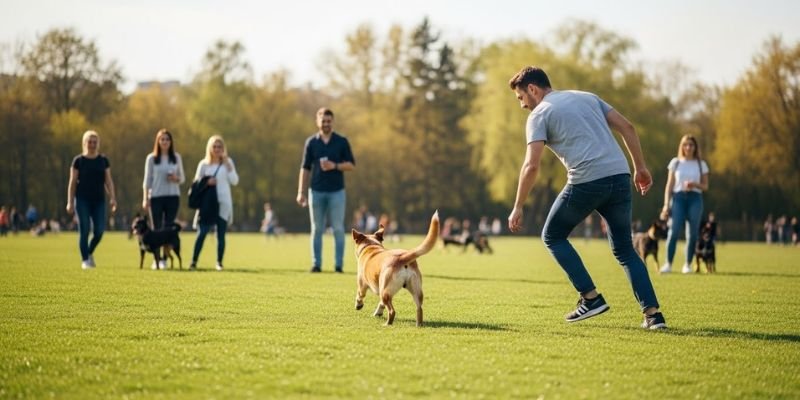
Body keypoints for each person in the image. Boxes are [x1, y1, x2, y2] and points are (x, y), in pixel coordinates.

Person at [506, 66, 666, 329]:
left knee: (552, 236)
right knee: (626, 250)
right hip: (620, 177)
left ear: (532, 89)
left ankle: (590, 298)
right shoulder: (587, 97)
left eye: (521, 98)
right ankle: (653, 315)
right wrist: (640, 168)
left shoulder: (540, 114)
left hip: (587, 181)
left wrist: (518, 206)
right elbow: (627, 127)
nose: (523, 105)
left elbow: (531, 166)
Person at [296, 108, 355, 273]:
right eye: (323, 121)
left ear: (332, 122)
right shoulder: (311, 143)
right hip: (316, 191)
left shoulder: (341, 141)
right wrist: (301, 191)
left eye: (329, 121)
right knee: (316, 229)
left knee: (337, 228)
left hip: (337, 192)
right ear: (317, 121)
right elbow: (305, 168)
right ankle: (316, 264)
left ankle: (338, 265)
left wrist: (335, 166)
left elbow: (351, 165)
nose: (326, 123)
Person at [658, 134, 710, 274]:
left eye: (691, 145)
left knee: (692, 234)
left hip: (695, 198)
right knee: (673, 231)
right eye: (685, 144)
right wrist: (665, 205)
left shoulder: (701, 164)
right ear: (682, 146)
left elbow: (705, 186)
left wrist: (695, 184)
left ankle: (687, 264)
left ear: (695, 147)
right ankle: (668, 264)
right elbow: (669, 185)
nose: (688, 147)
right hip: (678, 198)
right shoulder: (676, 162)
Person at [66, 130, 117, 269]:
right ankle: (85, 260)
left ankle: (89, 252)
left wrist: (112, 198)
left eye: (95, 142)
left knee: (99, 230)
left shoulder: (103, 160)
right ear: (84, 143)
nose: (92, 144)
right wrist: (70, 202)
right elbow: (72, 182)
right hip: (82, 200)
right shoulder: (78, 161)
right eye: (89, 142)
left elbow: (108, 181)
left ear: (98, 144)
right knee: (84, 229)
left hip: (99, 201)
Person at [191, 135, 238, 271]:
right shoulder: (204, 164)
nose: (217, 149)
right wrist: (207, 182)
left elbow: (235, 181)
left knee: (221, 234)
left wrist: (228, 166)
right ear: (210, 148)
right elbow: (196, 184)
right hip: (207, 204)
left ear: (223, 149)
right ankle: (194, 261)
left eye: (220, 147)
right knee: (202, 232)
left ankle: (219, 262)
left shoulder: (228, 163)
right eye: (214, 146)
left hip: (223, 203)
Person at [142, 128, 185, 269]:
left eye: (167, 139)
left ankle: (165, 260)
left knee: (168, 229)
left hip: (173, 196)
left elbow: (182, 178)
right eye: (162, 139)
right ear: (158, 141)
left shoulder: (176, 157)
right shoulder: (151, 158)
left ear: (171, 141)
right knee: (156, 229)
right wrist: (145, 198)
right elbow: (147, 180)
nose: (165, 142)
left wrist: (175, 178)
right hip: (156, 197)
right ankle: (157, 259)